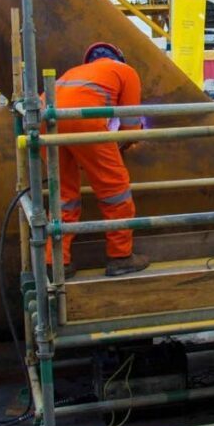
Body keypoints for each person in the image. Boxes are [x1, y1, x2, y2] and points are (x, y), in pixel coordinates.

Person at [47, 42, 150, 277]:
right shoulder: (125, 71)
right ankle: (120, 257)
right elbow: (131, 126)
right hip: (83, 120)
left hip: (46, 120)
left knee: (63, 196)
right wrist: (120, 144)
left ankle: (55, 262)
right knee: (115, 191)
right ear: (119, 58)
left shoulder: (74, 72)